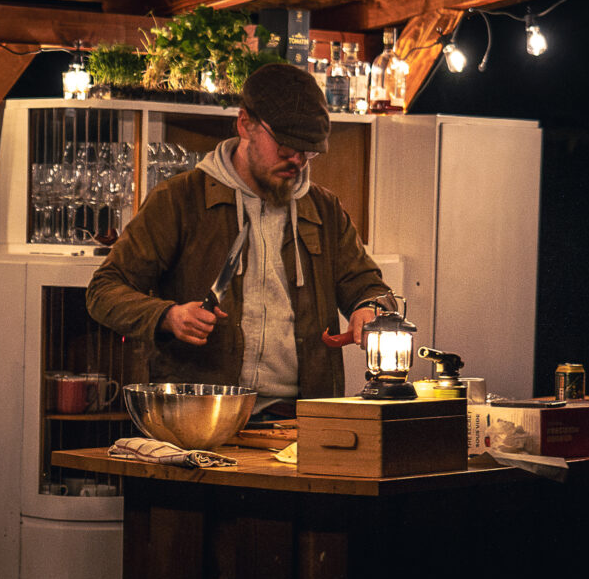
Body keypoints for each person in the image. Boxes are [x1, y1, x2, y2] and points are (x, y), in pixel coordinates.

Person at [87, 62, 393, 414]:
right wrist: (168, 316)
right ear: (245, 123)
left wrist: (370, 308)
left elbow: (370, 287)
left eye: (308, 152)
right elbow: (103, 291)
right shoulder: (179, 199)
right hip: (200, 415)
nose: (297, 161)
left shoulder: (325, 209)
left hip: (303, 416)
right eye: (285, 148)